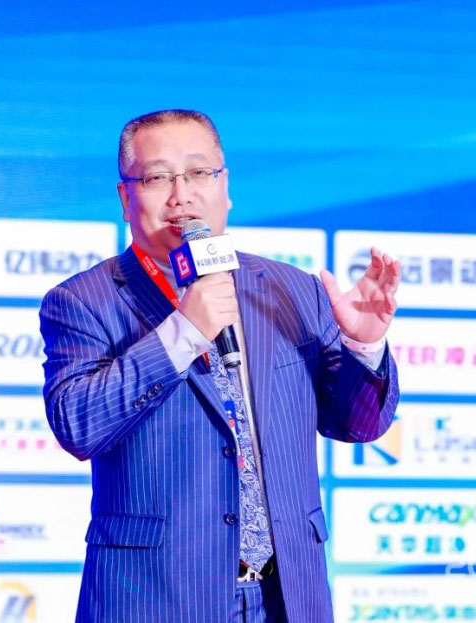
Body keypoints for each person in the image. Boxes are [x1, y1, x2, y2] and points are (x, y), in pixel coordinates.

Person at [39, 109, 401, 623]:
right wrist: (184, 332)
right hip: (155, 599)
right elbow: (78, 425)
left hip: (287, 596)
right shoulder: (82, 301)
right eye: (157, 177)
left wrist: (365, 345)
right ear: (125, 198)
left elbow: (359, 424)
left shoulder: (291, 290)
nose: (181, 195)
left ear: (224, 186)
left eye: (198, 172)